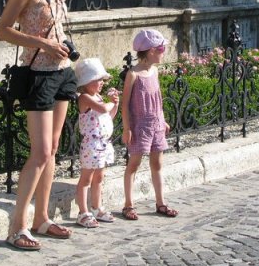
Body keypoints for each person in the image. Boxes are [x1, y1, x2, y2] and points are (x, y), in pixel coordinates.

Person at [0, 0, 78, 251]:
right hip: (38, 75)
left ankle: (42, 218)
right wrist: (43, 43)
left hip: (62, 72)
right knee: (41, 152)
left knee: (53, 148)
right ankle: (17, 227)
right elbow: (2, 29)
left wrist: (61, 45)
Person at [120, 29, 179, 220]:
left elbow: (157, 99)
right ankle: (128, 204)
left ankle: (161, 202)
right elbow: (125, 104)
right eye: (162, 49)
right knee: (134, 164)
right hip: (140, 126)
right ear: (152, 50)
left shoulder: (154, 71)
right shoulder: (133, 74)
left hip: (156, 125)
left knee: (157, 163)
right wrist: (127, 128)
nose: (164, 52)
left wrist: (162, 119)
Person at [73, 58, 119, 228]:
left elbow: (109, 115)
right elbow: (103, 109)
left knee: (99, 177)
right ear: (87, 82)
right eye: (98, 80)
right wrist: (110, 102)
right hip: (91, 145)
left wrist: (115, 103)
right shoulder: (84, 98)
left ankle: (96, 207)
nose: (102, 83)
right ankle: (83, 212)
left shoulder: (98, 97)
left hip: (103, 144)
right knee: (86, 178)